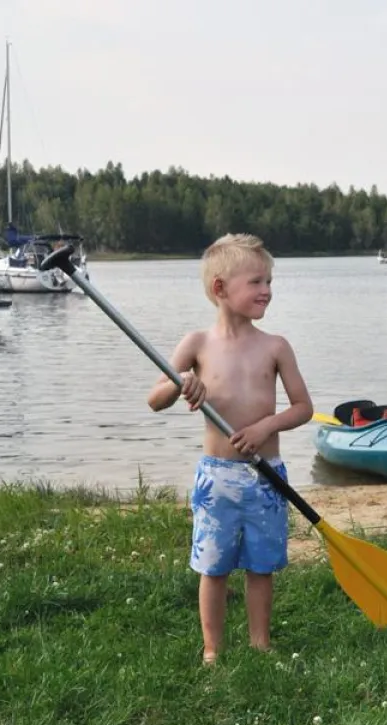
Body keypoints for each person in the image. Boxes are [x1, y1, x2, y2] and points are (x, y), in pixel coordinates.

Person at [146, 233, 313, 666]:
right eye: (257, 281)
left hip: (265, 475)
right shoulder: (197, 344)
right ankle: (212, 650)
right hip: (217, 477)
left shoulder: (275, 346)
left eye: (269, 281)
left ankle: (261, 643)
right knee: (213, 567)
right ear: (221, 288)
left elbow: (303, 408)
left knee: (262, 567)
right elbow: (155, 398)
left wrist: (265, 426)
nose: (267, 291)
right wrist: (180, 383)